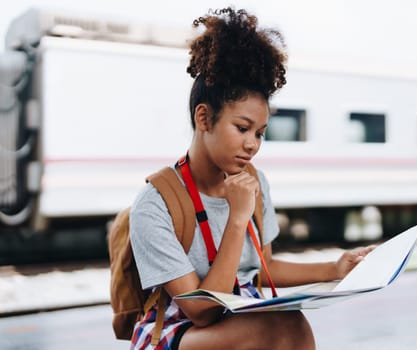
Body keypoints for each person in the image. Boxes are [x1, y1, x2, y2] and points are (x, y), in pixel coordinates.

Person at [129, 7, 374, 350]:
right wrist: (237, 216)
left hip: (241, 311)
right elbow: (201, 309)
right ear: (204, 118)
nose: (252, 145)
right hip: (177, 328)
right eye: (242, 128)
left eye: (260, 133)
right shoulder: (156, 202)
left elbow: (263, 267)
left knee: (293, 323)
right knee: (268, 331)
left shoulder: (255, 181)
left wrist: (334, 268)